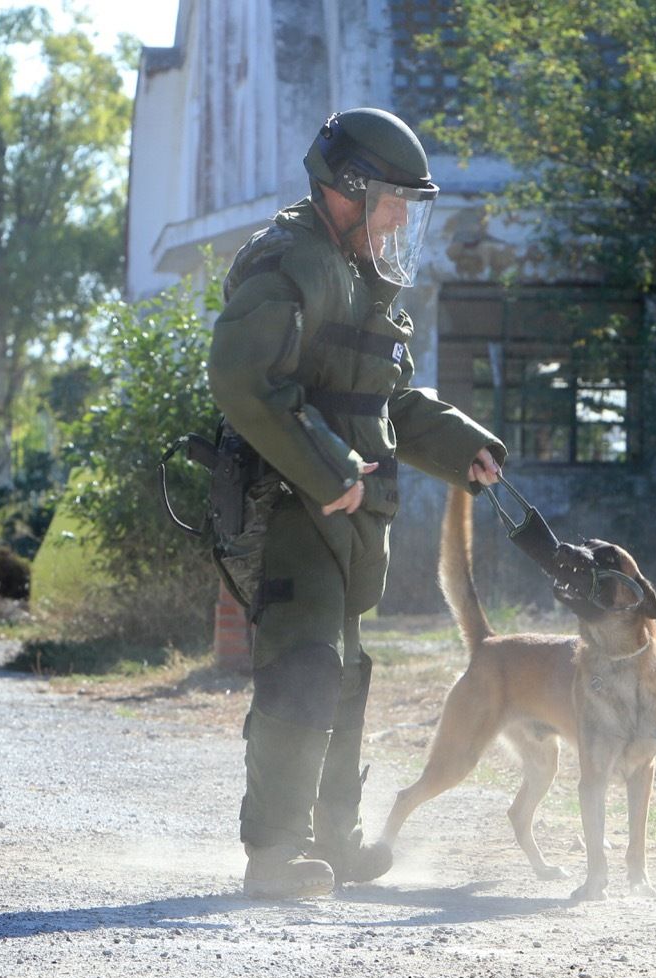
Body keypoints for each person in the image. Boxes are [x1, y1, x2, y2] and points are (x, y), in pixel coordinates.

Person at [207, 107, 506, 899]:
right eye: (393, 202)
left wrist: (462, 446)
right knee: (304, 667)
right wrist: (327, 466)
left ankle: (335, 842)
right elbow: (241, 378)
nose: (402, 221)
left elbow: (386, 402)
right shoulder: (288, 262)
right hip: (287, 503)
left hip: (345, 513)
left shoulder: (361, 277)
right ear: (346, 190)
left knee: (343, 674)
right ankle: (274, 854)